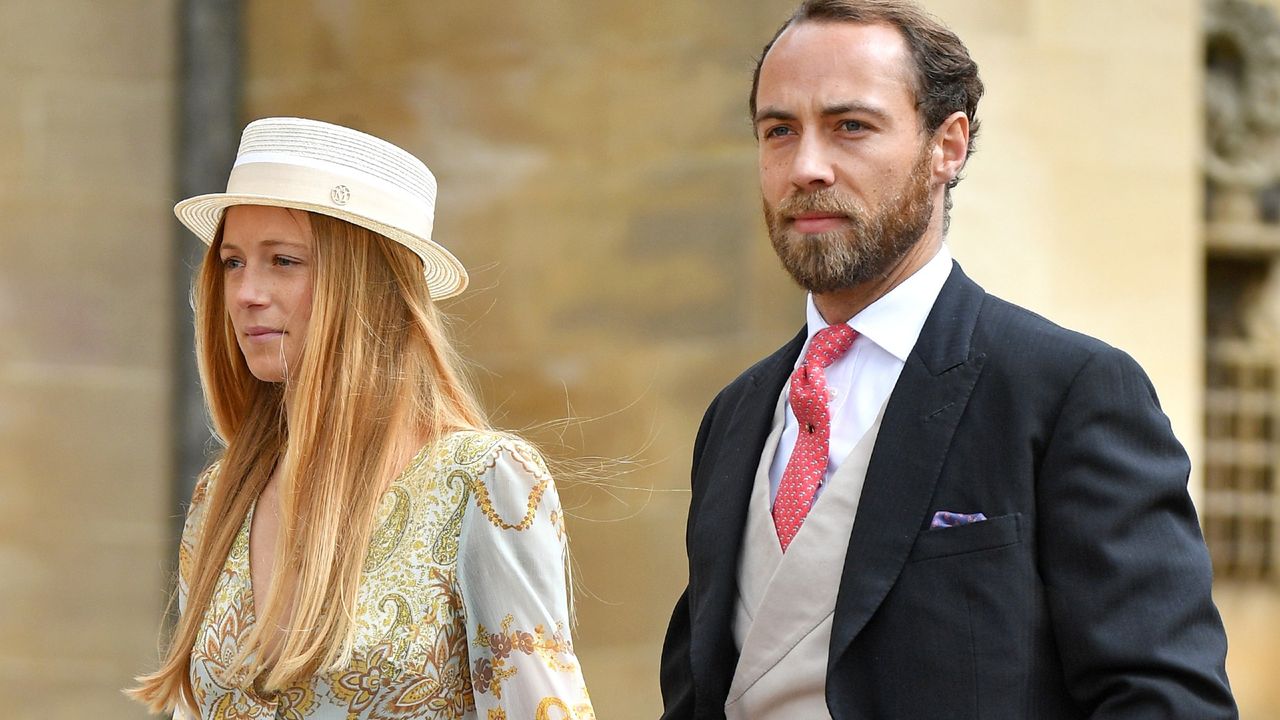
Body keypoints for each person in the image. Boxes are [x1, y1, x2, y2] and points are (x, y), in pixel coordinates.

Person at [659, 1, 1237, 718]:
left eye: (851, 126)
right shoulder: (734, 415)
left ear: (948, 146)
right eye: (779, 130)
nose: (806, 166)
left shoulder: (1069, 393)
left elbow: (1165, 702)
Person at [129, 117, 594, 719]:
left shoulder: (483, 482)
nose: (246, 292)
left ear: (368, 283)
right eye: (234, 261)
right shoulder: (218, 497)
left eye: (285, 261)